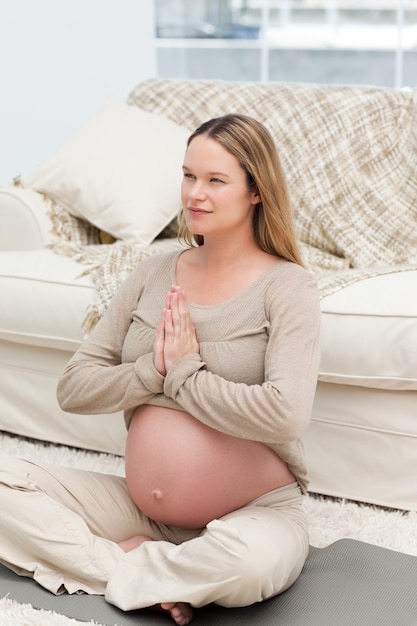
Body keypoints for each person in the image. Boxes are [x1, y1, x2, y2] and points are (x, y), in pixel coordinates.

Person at [0, 113, 321, 625]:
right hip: (140, 509)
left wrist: (185, 373)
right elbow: (73, 388)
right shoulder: (152, 271)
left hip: (253, 514)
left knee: (247, 565)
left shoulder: (288, 287)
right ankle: (152, 572)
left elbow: (285, 416)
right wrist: (151, 372)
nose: (195, 192)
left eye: (216, 180)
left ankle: (132, 567)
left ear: (256, 191)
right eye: (189, 175)